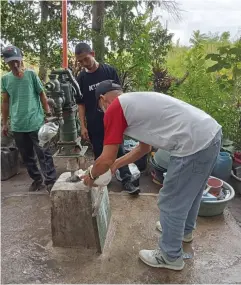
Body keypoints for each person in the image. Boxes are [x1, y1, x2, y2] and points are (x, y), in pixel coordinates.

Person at [81, 80, 222, 271]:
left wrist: (91, 173)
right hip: (209, 134)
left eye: (100, 108)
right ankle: (183, 232)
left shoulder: (115, 108)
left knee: (171, 201)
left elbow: (105, 158)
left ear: (103, 99)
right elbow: (143, 148)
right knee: (192, 192)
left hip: (193, 145)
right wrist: (115, 165)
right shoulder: (133, 103)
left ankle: (169, 256)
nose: (103, 112)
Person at [75, 42, 140, 194]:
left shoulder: (108, 71)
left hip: (114, 120)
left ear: (93, 53)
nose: (84, 63)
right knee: (99, 152)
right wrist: (83, 125)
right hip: (94, 122)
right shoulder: (82, 78)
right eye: (80, 61)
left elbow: (120, 95)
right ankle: (104, 181)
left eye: (86, 59)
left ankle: (127, 180)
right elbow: (81, 104)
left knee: (119, 150)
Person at [1, 45, 57, 192]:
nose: (14, 64)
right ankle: (37, 180)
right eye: (11, 62)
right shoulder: (5, 79)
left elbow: (42, 94)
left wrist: (48, 113)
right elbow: (5, 102)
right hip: (18, 124)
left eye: (16, 61)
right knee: (27, 156)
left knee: (43, 152)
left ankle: (50, 180)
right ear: (6, 62)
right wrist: (4, 122)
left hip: (35, 122)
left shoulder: (31, 75)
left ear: (21, 59)